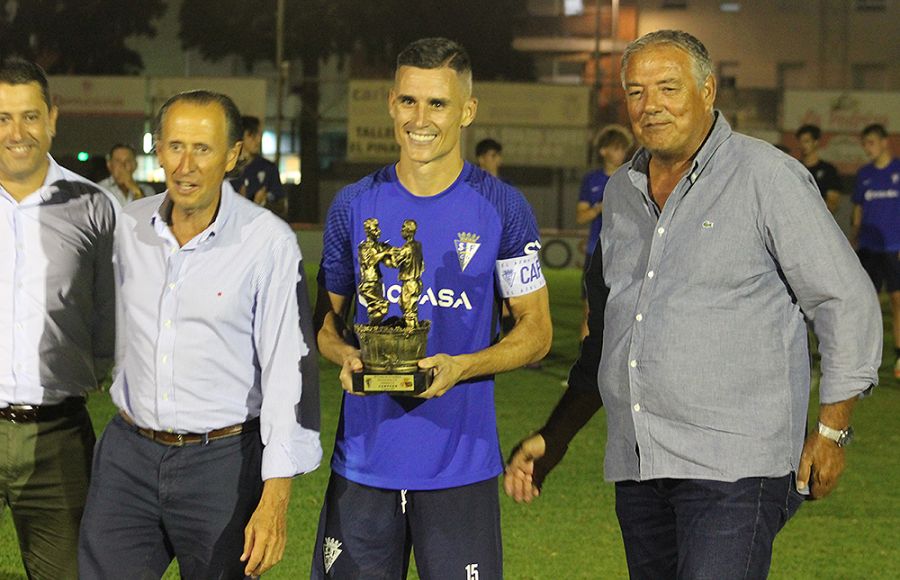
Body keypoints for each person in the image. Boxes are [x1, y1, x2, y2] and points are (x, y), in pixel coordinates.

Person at [505, 29, 882, 578]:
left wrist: (830, 432)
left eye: (667, 88)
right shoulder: (619, 193)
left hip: (735, 469)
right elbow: (611, 340)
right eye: (636, 92)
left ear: (708, 92)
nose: (650, 106)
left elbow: (845, 299)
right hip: (641, 467)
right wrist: (555, 437)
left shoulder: (766, 177)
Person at [313, 37, 551, 579]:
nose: (420, 119)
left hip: (459, 465)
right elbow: (322, 323)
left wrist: (463, 366)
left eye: (438, 104)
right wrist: (344, 355)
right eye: (408, 102)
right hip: (365, 461)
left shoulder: (503, 207)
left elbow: (536, 331)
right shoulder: (353, 205)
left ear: (467, 110)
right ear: (391, 103)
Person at [78, 90, 322, 579]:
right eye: (174, 146)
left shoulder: (267, 242)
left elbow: (287, 373)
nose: (185, 165)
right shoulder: (127, 227)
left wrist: (275, 498)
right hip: (127, 457)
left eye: (203, 149)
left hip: (223, 467)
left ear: (232, 155)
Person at [0, 58, 115, 579]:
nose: (16, 132)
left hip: (59, 435)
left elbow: (116, 310)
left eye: (28, 116)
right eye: (2, 118)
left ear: (52, 118)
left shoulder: (93, 206)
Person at [852, 123, 900, 379]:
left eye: (871, 142)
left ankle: (899, 355)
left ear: (884, 143)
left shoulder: (897, 170)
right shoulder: (864, 174)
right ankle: (867, 356)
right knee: (867, 303)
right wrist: (854, 239)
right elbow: (858, 210)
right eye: (865, 143)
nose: (867, 148)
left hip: (894, 247)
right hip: (868, 248)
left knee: (896, 300)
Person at [575, 124, 631, 338]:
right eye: (616, 148)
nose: (621, 153)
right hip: (596, 251)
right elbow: (581, 216)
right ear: (603, 151)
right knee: (590, 310)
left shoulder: (631, 177)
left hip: (625, 252)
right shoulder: (592, 180)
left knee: (622, 312)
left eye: (623, 149)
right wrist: (600, 206)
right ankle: (586, 365)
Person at [230, 114, 286, 214]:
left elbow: (281, 205)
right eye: (253, 135)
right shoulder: (228, 168)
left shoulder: (268, 168)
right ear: (240, 137)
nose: (258, 140)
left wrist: (263, 202)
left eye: (260, 135)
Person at [796, 124, 842, 214]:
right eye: (800, 142)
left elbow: (833, 203)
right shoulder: (795, 168)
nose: (803, 145)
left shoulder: (829, 170)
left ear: (816, 142)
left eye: (806, 141)